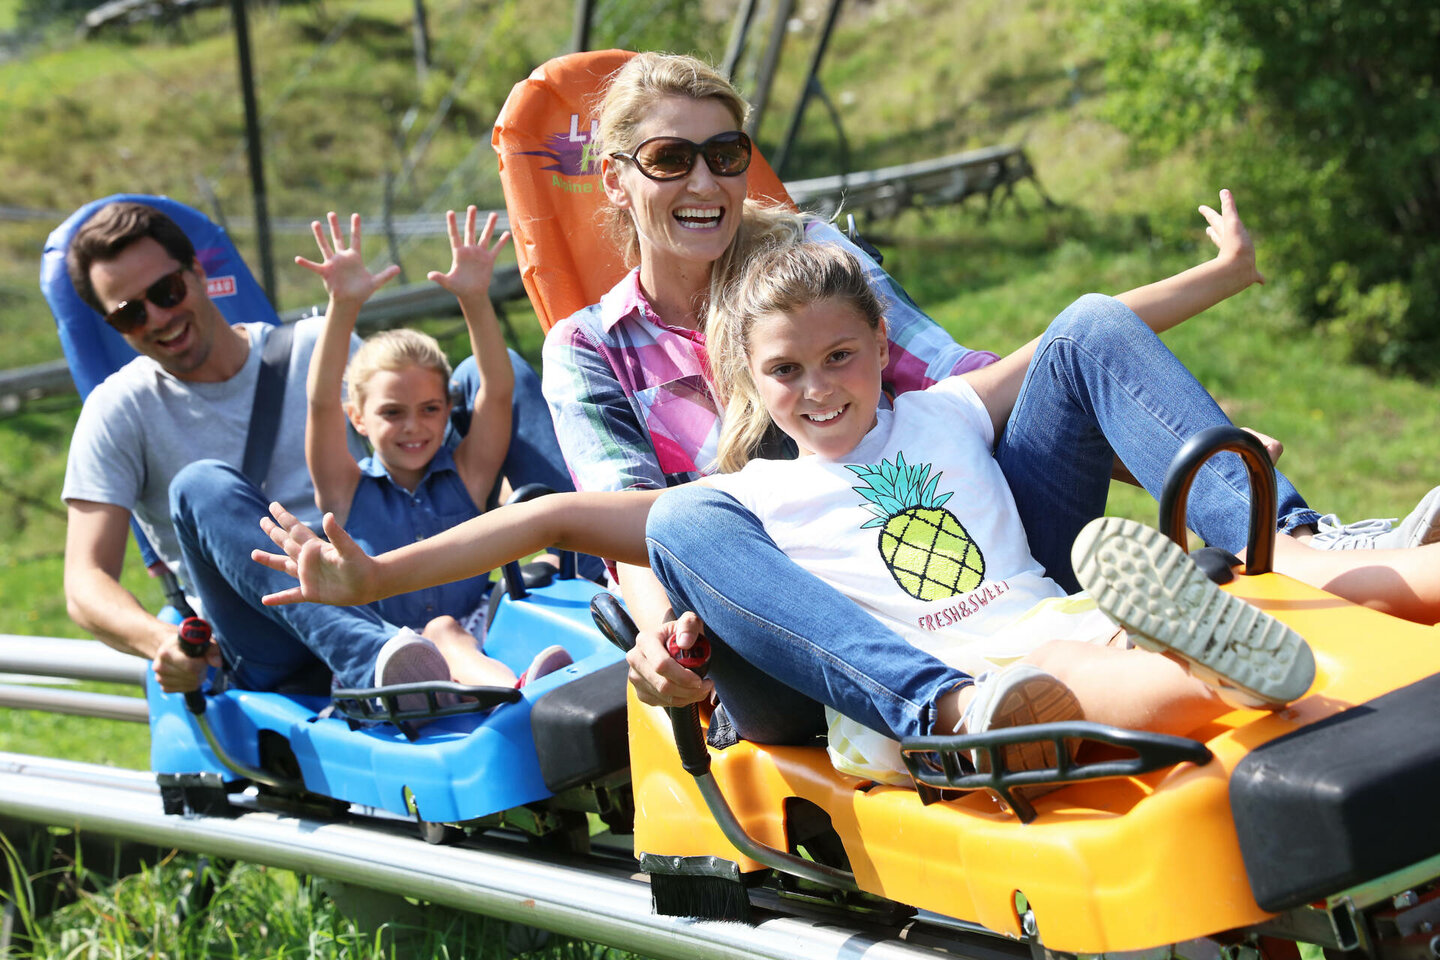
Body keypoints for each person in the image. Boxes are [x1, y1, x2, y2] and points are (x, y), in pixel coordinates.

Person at [248, 244, 1440, 788]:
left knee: (1080, 326)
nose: (819, 389)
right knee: (676, 528)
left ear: (881, 349)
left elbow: (1092, 338)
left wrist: (1217, 274)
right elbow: (539, 517)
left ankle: (1317, 560)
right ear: (741, 386)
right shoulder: (742, 495)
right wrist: (374, 582)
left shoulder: (941, 415)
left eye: (842, 357)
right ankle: (1189, 670)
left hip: (1062, 616)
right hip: (942, 689)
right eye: (785, 373)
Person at [538, 52, 1438, 738]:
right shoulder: (587, 350)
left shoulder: (811, 259)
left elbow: (965, 386)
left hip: (967, 560)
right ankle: (957, 710)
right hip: (807, 636)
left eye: (724, 153)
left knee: (1083, 328)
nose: (704, 182)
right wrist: (661, 641)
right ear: (615, 178)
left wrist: (1159, 447)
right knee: (685, 520)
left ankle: (1280, 540)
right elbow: (633, 529)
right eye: (669, 158)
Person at [59, 201, 579, 695]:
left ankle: (597, 576)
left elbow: (402, 453)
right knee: (202, 484)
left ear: (197, 272)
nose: (155, 317)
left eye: (167, 291)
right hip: (267, 629)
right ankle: (378, 662)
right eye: (128, 314)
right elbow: (85, 581)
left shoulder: (315, 346)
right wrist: (163, 642)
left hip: (376, 582)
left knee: (491, 375)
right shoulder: (118, 411)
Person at [296, 208, 568, 688]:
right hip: (396, 655)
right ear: (357, 417)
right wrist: (343, 306)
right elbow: (319, 402)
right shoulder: (344, 489)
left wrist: (474, 299)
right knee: (440, 631)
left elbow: (497, 390)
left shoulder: (468, 474)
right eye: (391, 413)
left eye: (429, 409)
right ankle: (512, 690)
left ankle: (520, 675)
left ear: (447, 410)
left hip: (483, 627)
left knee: (521, 590)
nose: (413, 427)